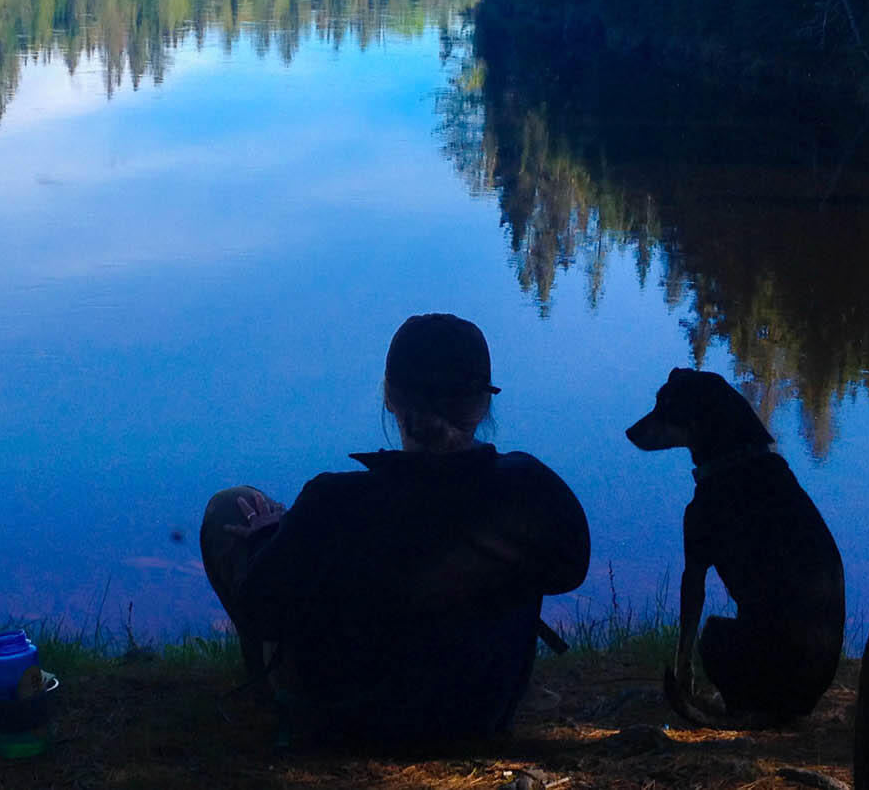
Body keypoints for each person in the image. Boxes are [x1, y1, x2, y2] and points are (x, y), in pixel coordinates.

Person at [200, 313, 590, 744]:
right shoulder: (532, 492)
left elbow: (260, 611)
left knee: (227, 507)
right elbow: (567, 571)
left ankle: (272, 697)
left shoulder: (332, 503)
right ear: (482, 406)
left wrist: (265, 536)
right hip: (478, 716)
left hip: (345, 725)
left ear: (390, 398)